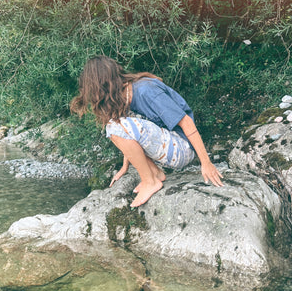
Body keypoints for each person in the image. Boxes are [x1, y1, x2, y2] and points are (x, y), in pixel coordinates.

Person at [70, 56, 223, 207]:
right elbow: (131, 135)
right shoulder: (123, 95)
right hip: (166, 148)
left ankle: (150, 182)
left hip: (182, 148)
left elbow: (186, 122)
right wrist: (125, 166)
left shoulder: (146, 91)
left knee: (113, 127)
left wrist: (206, 162)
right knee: (114, 125)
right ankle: (155, 173)